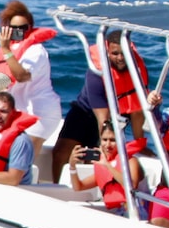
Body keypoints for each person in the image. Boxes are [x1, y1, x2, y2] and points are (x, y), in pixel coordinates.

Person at [51, 31, 151, 181]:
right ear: (107, 52)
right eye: (115, 53)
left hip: (119, 114)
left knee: (105, 155)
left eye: (124, 53)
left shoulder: (137, 71)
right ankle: (57, 186)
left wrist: (139, 143)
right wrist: (104, 146)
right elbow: (102, 118)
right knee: (61, 152)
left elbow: (137, 112)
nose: (120, 58)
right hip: (87, 112)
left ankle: (100, 186)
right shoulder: (96, 73)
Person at [0, 0, 62, 148]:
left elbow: (22, 76)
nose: (18, 31)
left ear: (30, 28)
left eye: (23, 28)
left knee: (22, 159)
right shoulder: (12, 48)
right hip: (21, 112)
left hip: (41, 113)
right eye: (14, 28)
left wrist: (6, 50)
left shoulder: (36, 51)